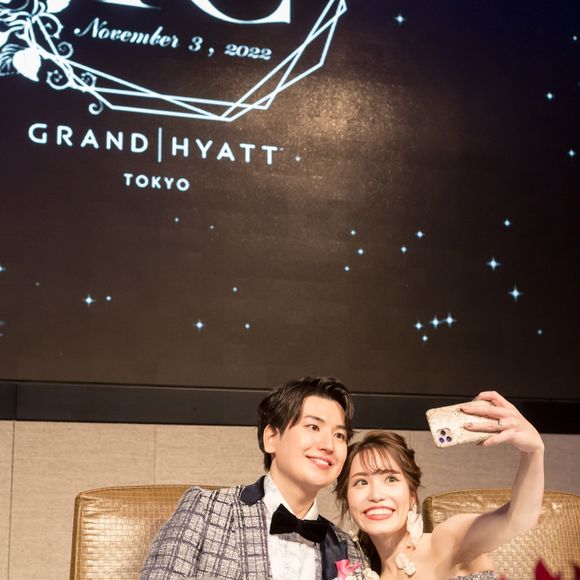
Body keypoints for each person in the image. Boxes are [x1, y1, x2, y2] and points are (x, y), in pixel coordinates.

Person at [140, 376, 362, 580]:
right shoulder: (206, 511)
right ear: (271, 438)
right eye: (313, 427)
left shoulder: (347, 549)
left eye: (339, 435)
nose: (328, 445)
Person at [335, 391, 545, 580]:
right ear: (346, 498)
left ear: (411, 494)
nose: (376, 495)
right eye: (361, 482)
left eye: (391, 479)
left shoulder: (445, 541)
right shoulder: (361, 574)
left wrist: (533, 452)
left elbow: (516, 519)